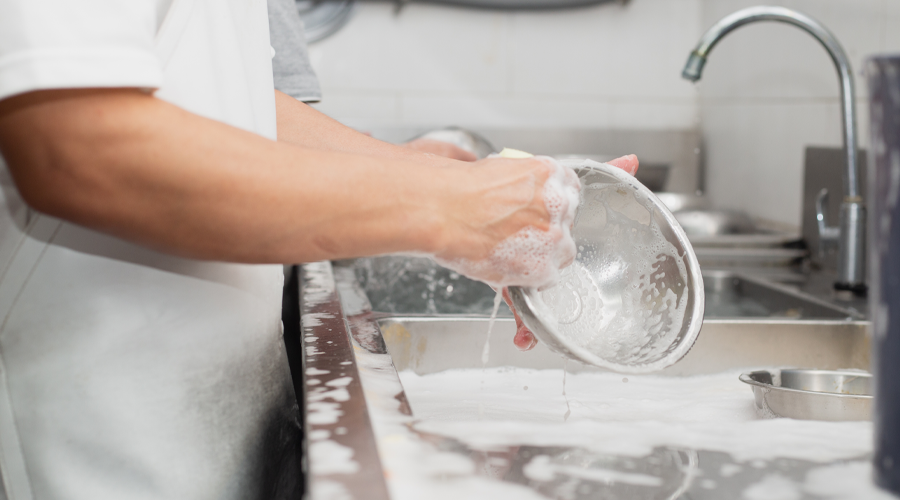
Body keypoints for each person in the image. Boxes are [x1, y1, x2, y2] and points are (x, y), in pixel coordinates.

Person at [0, 0, 638, 498]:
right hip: (105, 428)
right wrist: (448, 209)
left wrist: (454, 185)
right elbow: (75, 143)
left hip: (215, 416)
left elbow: (236, 107)